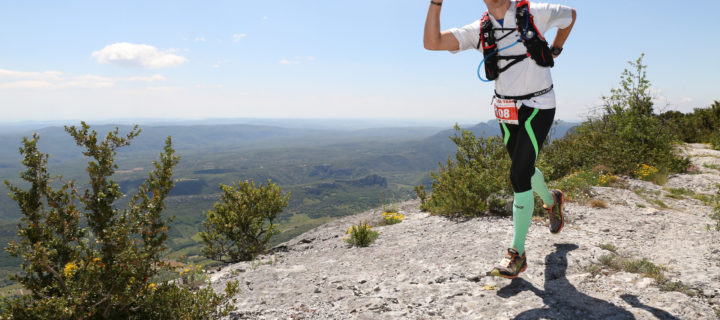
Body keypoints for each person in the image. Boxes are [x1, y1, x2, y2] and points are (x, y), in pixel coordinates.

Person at [423, 0, 576, 279]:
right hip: (506, 108)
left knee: (518, 175)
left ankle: (517, 253)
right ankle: (552, 199)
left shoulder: (536, 13)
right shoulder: (480, 28)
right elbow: (432, 43)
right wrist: (436, 3)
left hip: (539, 104)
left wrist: (556, 48)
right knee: (524, 168)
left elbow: (571, 16)